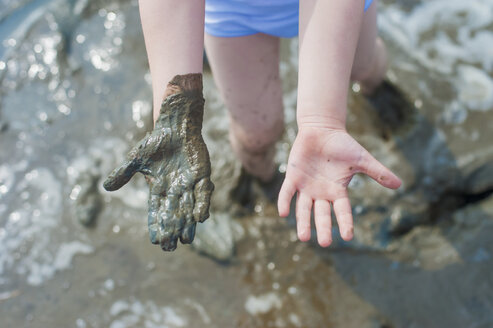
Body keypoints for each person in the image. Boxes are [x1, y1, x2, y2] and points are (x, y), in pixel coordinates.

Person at [105, 0, 402, 251]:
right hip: (238, 11)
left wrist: (323, 118)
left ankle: (376, 88)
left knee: (363, 67)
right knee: (257, 133)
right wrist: (175, 116)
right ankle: (261, 181)